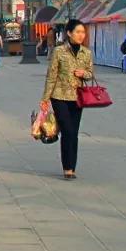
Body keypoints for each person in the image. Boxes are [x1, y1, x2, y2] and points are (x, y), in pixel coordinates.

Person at [41, 18, 94, 179]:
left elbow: (91, 74)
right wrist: (46, 98)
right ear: (69, 33)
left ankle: (72, 166)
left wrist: (83, 74)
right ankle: (67, 168)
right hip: (60, 96)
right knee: (67, 130)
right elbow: (51, 75)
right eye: (77, 32)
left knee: (74, 133)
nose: (81, 35)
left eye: (82, 32)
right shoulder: (59, 51)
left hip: (78, 97)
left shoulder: (87, 53)